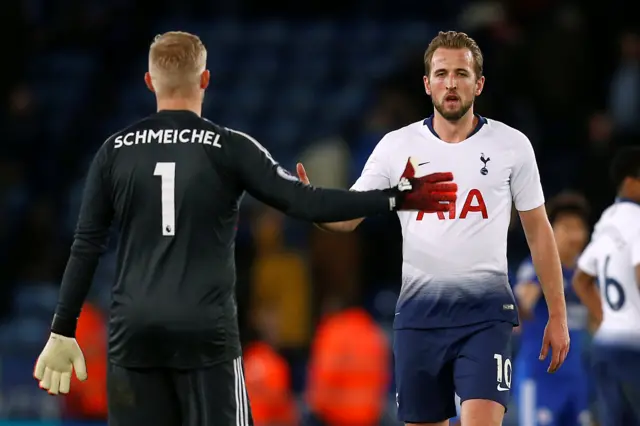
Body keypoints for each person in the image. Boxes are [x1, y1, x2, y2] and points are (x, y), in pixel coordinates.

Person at [31, 31, 458, 426]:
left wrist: (62, 329)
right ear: (205, 80)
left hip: (135, 328)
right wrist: (395, 196)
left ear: (148, 81)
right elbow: (308, 203)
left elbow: (86, 245)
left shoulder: (113, 151)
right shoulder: (230, 147)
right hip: (203, 328)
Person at [295, 30, 570, 426]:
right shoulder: (396, 146)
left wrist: (557, 315)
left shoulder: (512, 146)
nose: (451, 83)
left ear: (479, 83)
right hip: (420, 317)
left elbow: (539, 232)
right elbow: (349, 217)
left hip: (486, 315)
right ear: (427, 84)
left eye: (461, 73)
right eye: (441, 73)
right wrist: (312, 206)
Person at [572, 146, 640, 426]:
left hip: (606, 347)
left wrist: (608, 318)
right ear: (631, 181)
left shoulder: (606, 222)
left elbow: (581, 280)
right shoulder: (638, 220)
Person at [513, 193, 592, 426]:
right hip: (539, 380)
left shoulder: (586, 276)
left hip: (577, 382)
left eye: (579, 228)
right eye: (566, 228)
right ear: (551, 232)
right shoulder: (536, 268)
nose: (574, 235)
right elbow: (518, 314)